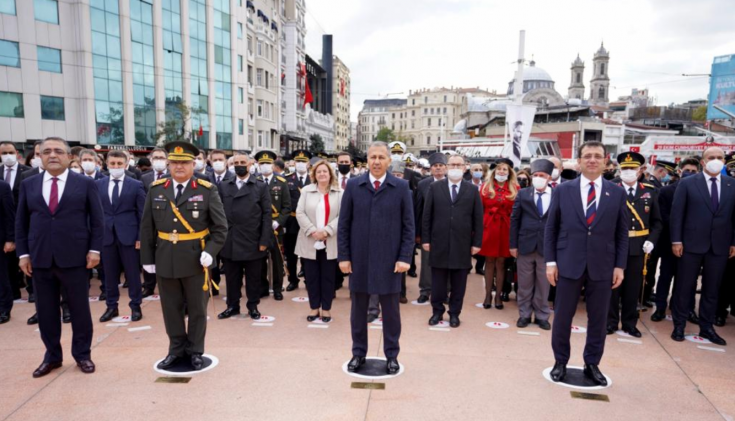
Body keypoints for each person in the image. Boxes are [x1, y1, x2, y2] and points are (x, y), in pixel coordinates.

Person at [16, 137, 104, 377]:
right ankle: (52, 356)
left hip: (75, 258)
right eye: (46, 152)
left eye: (57, 151)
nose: (52, 155)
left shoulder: (84, 184)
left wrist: (95, 250)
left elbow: (97, 221)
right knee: (45, 311)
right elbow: (21, 222)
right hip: (40, 258)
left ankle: (82, 355)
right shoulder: (29, 184)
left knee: (79, 311)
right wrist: (23, 254)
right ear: (40, 157)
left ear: (69, 157)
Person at [545, 141, 629, 386]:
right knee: (562, 316)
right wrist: (551, 262)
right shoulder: (563, 190)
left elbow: (621, 233)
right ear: (579, 161)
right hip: (568, 262)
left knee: (598, 318)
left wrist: (619, 266)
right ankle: (560, 361)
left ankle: (592, 363)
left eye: (597, 156)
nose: (592, 160)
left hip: (603, 265)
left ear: (605, 161)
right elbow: (552, 228)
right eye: (587, 156)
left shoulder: (617, 192)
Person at [139, 141, 227, 371]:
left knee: (198, 308)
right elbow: (147, 227)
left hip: (196, 258)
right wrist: (147, 259)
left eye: (184, 162)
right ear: (168, 164)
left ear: (193, 164)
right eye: (175, 162)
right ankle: (176, 350)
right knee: (170, 308)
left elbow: (220, 228)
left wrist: (210, 252)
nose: (179, 166)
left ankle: (196, 350)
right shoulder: (157, 189)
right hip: (165, 256)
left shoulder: (207, 189)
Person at [339, 141, 414, 375]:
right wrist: (344, 257)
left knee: (391, 313)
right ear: (367, 160)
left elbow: (408, 227)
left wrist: (404, 257)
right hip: (359, 259)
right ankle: (358, 353)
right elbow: (344, 225)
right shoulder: (353, 185)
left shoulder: (401, 187)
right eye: (373, 157)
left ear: (389, 161)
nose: (377, 161)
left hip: (390, 261)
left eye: (382, 157)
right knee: (358, 312)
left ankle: (392, 355)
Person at [669, 147, 735, 346]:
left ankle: (707, 327)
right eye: (711, 157)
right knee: (684, 286)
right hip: (690, 244)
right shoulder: (688, 183)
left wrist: (733, 242)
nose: (716, 160)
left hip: (720, 245)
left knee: (712, 288)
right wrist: (676, 240)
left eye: (719, 157)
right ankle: (679, 325)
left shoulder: (732, 184)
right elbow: (677, 214)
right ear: (703, 162)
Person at [422, 155, 483, 328]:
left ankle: (455, 313)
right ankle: (437, 312)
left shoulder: (472, 190)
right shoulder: (434, 187)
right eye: (452, 164)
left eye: (459, 164)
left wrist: (477, 243)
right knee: (438, 283)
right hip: (438, 242)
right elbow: (427, 216)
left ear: (465, 168)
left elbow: (478, 218)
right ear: (447, 167)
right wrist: (425, 239)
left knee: (459, 283)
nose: (455, 167)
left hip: (462, 244)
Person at [607, 152, 662, 338]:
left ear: (640, 171)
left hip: (639, 246)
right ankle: (610, 322)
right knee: (612, 286)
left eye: (632, 169)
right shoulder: (610, 188)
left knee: (633, 287)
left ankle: (630, 323)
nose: (628, 172)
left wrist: (651, 241)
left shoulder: (649, 191)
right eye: (625, 169)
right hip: (613, 246)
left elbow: (657, 222)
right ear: (619, 170)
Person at [217, 152, 271, 321]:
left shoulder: (260, 186)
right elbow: (217, 213)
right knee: (232, 278)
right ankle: (232, 306)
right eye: (236, 162)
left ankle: (253, 306)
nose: (239, 165)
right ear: (231, 165)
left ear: (249, 165)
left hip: (252, 240)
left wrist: (264, 240)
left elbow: (267, 215)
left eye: (243, 162)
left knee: (253, 278)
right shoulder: (224, 185)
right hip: (230, 240)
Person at [96, 150, 146, 323]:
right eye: (112, 164)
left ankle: (136, 306)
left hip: (129, 236)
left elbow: (143, 214)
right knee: (109, 275)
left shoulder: (135, 185)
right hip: (106, 236)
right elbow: (94, 213)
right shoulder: (98, 185)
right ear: (107, 164)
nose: (115, 167)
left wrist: (141, 237)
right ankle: (111, 306)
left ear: (126, 165)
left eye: (119, 164)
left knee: (132, 274)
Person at [651, 158, 700, 323]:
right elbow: (662, 216)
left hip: (692, 245)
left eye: (693, 172)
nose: (690, 174)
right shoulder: (666, 192)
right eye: (687, 170)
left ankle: (686, 308)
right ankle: (660, 308)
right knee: (665, 276)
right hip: (669, 242)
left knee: (689, 280)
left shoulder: (700, 191)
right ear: (679, 171)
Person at [510, 159, 554, 330]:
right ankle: (524, 314)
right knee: (525, 283)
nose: (538, 178)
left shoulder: (558, 195)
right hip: (525, 244)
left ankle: (542, 315)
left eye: (541, 175)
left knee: (544, 284)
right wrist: (513, 244)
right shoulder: (523, 194)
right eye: (535, 175)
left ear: (549, 177)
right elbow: (515, 220)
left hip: (547, 247)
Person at [296, 159, 342, 322]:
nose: (322, 174)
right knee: (312, 276)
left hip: (330, 241)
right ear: (314, 175)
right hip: (310, 240)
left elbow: (342, 216)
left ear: (330, 174)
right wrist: (313, 231)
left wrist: (327, 231)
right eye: (319, 172)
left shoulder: (339, 192)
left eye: (325, 171)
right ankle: (314, 308)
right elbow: (300, 213)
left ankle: (326, 309)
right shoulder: (307, 191)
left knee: (328, 277)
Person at [478, 158, 517, 309]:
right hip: (489, 227)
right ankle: (488, 294)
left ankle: (499, 296)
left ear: (509, 172)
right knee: (489, 262)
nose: (501, 172)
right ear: (494, 172)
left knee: (501, 263)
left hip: (506, 228)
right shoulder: (485, 187)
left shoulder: (515, 188)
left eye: (505, 169)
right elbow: (479, 209)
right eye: (499, 169)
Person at [256, 151, 291, 301]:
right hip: (259, 227)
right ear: (258, 165)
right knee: (259, 259)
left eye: (267, 163)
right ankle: (263, 287)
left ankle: (277, 288)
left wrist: (279, 221)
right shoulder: (255, 181)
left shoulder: (281, 182)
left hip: (276, 227)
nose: (265, 166)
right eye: (262, 163)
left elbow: (287, 206)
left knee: (277, 260)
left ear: (273, 165)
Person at [414, 153, 447, 303]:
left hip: (448, 230)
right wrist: (419, 233)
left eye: (441, 166)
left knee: (446, 262)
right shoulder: (423, 184)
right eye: (435, 166)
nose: (438, 168)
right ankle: (425, 291)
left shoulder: (452, 183)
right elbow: (419, 210)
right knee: (426, 262)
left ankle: (445, 291)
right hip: (429, 230)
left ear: (445, 168)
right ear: (431, 168)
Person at [0, 142, 30, 304]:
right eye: (4, 153)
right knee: (7, 263)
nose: (7, 155)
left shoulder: (26, 172)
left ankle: (25, 290)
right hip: (5, 224)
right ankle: (13, 292)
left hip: (24, 221)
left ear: (17, 153)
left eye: (10, 152)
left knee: (22, 257)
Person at [284, 150, 312, 291]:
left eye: (304, 161)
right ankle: (293, 280)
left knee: (308, 252)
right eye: (298, 161)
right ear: (294, 163)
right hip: (292, 220)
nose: (301, 164)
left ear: (308, 164)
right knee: (291, 253)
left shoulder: (313, 179)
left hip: (309, 221)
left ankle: (308, 279)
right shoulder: (287, 179)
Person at [0, 179, 15, 324]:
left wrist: (10, 239)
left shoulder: (3, 186)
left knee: (1, 276)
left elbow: (9, 214)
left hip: (1, 238)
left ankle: (4, 308)